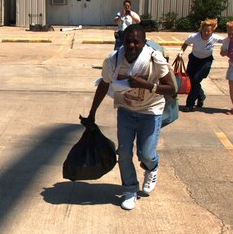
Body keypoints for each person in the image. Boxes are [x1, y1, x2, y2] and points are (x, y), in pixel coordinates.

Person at [84, 24, 175, 211]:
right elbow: (104, 84)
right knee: (124, 153)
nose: (132, 45)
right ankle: (130, 189)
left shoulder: (154, 59)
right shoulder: (114, 60)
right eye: (128, 41)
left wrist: (147, 85)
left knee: (146, 154)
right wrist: (92, 113)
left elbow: (172, 88)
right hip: (126, 111)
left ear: (144, 42)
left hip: (150, 112)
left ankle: (152, 167)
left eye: (137, 41)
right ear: (122, 41)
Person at [179, 18, 221, 111]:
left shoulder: (215, 38)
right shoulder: (194, 37)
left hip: (206, 61)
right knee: (192, 81)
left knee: (196, 79)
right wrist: (181, 52)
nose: (206, 33)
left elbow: (228, 40)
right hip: (194, 59)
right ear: (201, 29)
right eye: (204, 30)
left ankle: (189, 104)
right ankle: (201, 95)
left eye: (209, 31)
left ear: (212, 31)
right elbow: (185, 43)